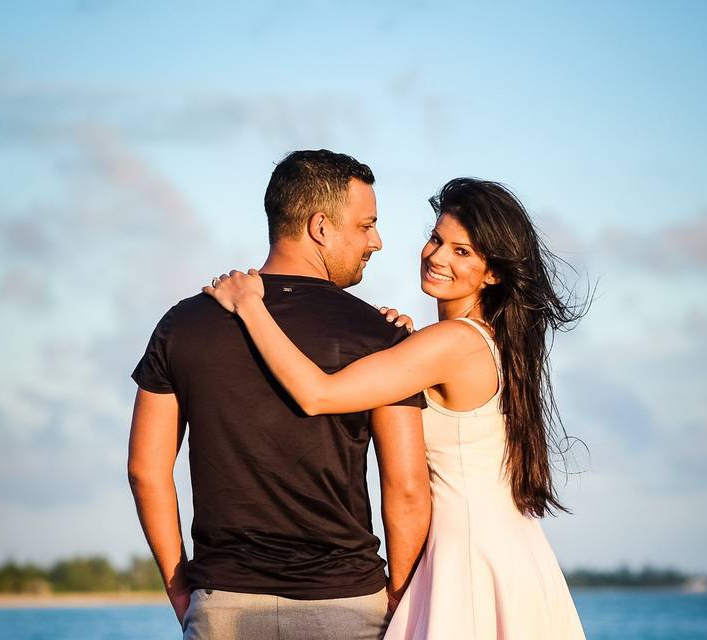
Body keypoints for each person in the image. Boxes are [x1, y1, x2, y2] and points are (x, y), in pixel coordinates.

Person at [205, 177, 588, 639]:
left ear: (494, 273)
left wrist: (251, 307)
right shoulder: (485, 342)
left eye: (461, 251)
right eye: (436, 239)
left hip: (465, 560)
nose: (437, 256)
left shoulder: (454, 342)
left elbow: (317, 394)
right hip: (509, 554)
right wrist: (401, 343)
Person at [128, 149, 432, 640]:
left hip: (222, 604)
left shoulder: (182, 324)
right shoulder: (380, 336)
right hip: (346, 605)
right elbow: (408, 489)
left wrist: (181, 592)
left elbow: (145, 471)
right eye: (366, 225)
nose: (376, 241)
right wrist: (399, 598)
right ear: (320, 227)